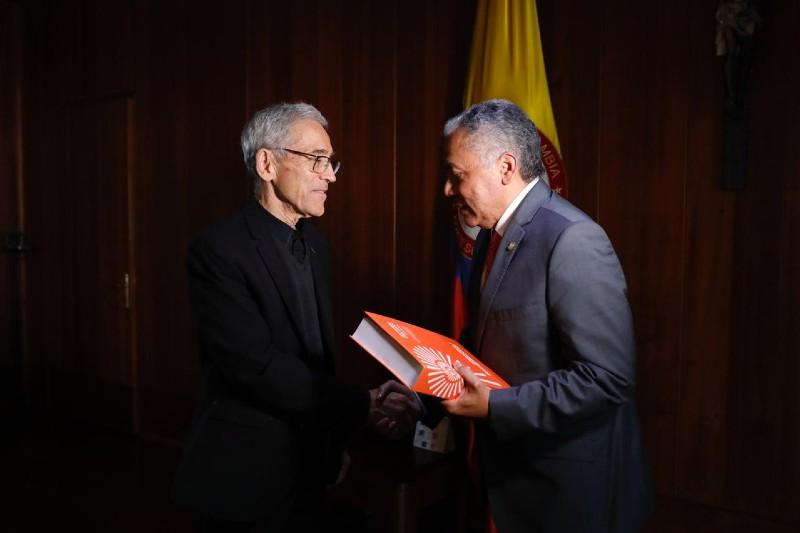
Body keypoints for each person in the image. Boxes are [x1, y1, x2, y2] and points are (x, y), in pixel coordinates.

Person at [172, 102, 422, 532]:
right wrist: (362, 404)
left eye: (331, 162)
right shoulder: (217, 251)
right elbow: (256, 366)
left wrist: (335, 440)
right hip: (243, 479)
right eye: (317, 160)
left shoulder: (315, 245)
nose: (330, 175)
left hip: (310, 468)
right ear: (267, 163)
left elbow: (316, 358)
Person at [440, 99, 654, 533]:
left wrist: (496, 407)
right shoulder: (492, 234)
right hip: (513, 483)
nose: (448, 190)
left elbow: (607, 378)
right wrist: (418, 384)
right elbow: (484, 344)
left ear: (504, 167)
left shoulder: (572, 239)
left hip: (569, 495)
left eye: (457, 175)